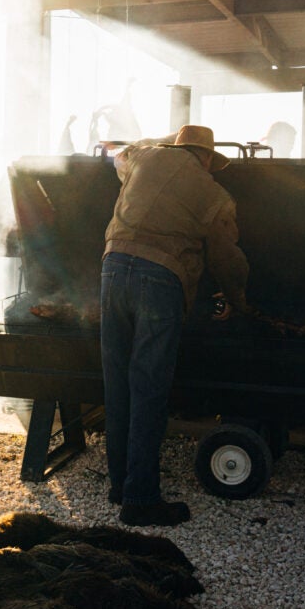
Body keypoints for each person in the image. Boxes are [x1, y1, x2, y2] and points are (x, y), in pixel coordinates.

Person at [101, 125, 250, 526]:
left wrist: (159, 145)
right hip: (158, 279)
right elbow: (225, 256)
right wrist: (239, 301)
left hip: (112, 271)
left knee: (118, 384)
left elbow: (120, 156)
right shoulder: (215, 194)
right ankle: (141, 500)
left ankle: (121, 485)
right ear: (206, 158)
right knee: (148, 389)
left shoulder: (143, 157)